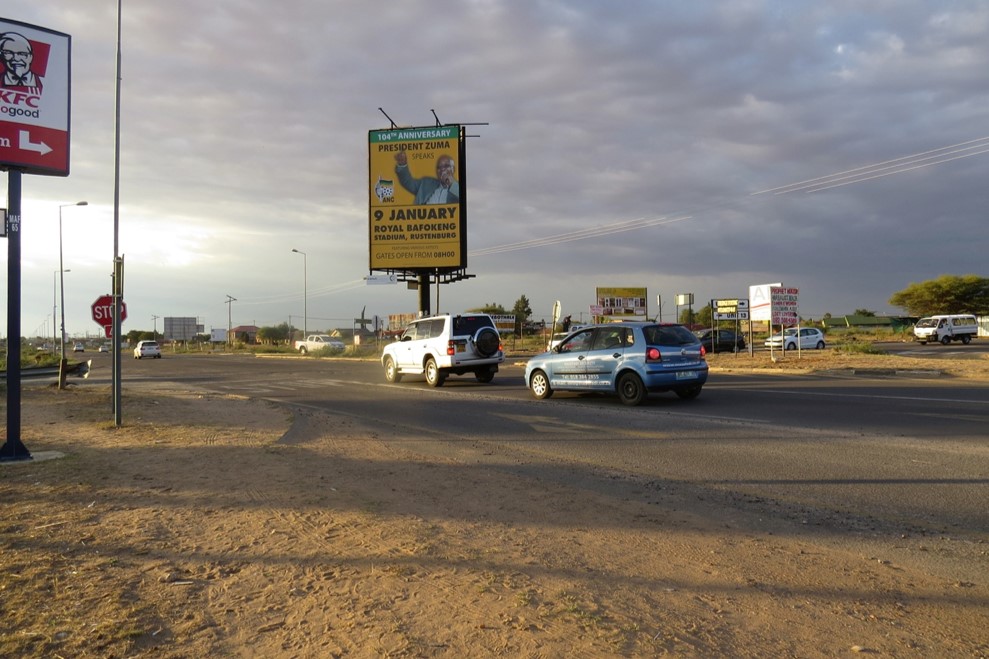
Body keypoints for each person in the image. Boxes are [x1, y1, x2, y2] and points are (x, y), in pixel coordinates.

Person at [394, 150, 459, 204]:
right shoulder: (425, 183)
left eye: (446, 166)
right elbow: (407, 182)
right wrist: (402, 165)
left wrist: (452, 183)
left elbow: (464, 199)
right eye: (439, 167)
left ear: (453, 169)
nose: (442, 169)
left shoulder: (458, 189)